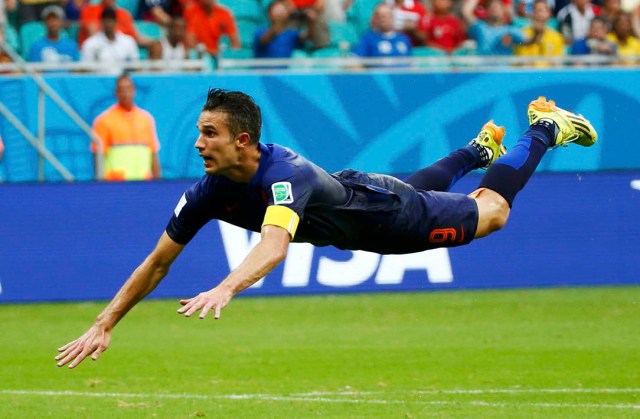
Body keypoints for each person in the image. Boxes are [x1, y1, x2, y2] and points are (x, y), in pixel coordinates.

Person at [55, 89, 597, 368]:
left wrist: (225, 285)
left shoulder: (282, 172)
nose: (198, 143)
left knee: (492, 211)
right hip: (364, 194)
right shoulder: (208, 190)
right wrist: (105, 323)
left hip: (390, 219)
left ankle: (546, 127)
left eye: (209, 133)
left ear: (242, 140)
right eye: (199, 132)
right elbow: (157, 262)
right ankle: (479, 149)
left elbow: (274, 245)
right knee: (417, 191)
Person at [90, 73, 161, 181]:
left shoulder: (146, 119)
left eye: (128, 88)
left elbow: (153, 154)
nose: (125, 93)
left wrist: (158, 181)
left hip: (144, 184)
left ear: (134, 90)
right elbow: (98, 156)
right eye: (121, 89)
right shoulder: (104, 120)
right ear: (116, 93)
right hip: (116, 184)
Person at [81, 7, 139, 73]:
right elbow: (87, 69)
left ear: (116, 22)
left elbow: (135, 66)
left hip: (122, 80)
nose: (108, 23)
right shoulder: (91, 43)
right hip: (100, 80)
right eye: (106, 20)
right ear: (101, 22)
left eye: (111, 20)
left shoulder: (128, 41)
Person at [514, 0, 565, 65]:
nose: (540, 14)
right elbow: (524, 64)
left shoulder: (556, 37)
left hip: (548, 74)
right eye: (538, 11)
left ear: (549, 14)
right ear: (532, 13)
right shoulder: (522, 35)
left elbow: (558, 65)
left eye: (543, 11)